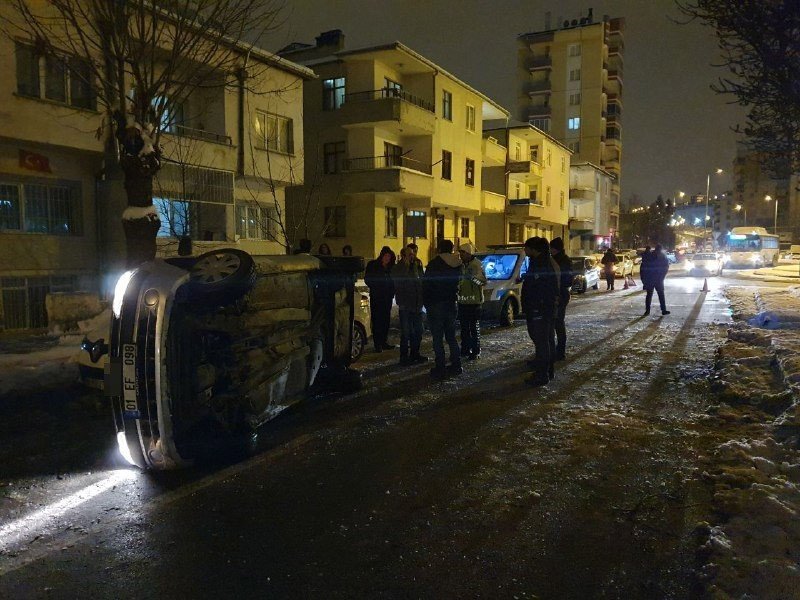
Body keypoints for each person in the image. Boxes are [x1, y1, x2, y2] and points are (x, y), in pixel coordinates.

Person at [423, 239, 463, 379]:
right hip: (451, 303)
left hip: (436, 304)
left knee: (438, 338)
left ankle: (440, 367)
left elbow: (426, 285)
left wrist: (427, 303)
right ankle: (456, 364)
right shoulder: (457, 263)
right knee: (451, 336)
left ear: (439, 249)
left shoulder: (434, 264)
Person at [522, 237, 559, 386]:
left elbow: (542, 288)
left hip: (540, 308)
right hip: (544, 308)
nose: (525, 250)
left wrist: (536, 306)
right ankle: (546, 371)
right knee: (546, 340)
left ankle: (542, 375)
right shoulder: (541, 262)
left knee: (542, 342)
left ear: (533, 249)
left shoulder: (541, 264)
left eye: (526, 248)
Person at [392, 243, 427, 365]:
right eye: (409, 254)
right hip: (406, 306)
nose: (412, 256)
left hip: (417, 305)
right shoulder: (398, 268)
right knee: (406, 333)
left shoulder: (417, 265)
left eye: (413, 254)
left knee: (418, 331)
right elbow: (398, 284)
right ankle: (404, 357)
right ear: (403, 256)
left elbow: (422, 282)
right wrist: (406, 267)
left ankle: (415, 353)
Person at [457, 242, 487, 360]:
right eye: (460, 253)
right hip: (463, 301)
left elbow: (483, 282)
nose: (461, 255)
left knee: (474, 327)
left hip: (474, 302)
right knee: (464, 328)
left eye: (462, 253)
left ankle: (475, 350)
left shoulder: (477, 265)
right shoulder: (460, 265)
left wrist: (473, 279)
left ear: (468, 253)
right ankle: (465, 349)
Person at [364, 246, 396, 351]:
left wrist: (392, 291)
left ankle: (384, 341)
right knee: (377, 320)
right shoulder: (374, 266)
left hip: (387, 297)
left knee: (385, 320)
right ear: (382, 256)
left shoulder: (390, 268)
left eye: (389, 256)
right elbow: (368, 279)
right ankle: (378, 343)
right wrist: (376, 286)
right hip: (377, 297)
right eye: (386, 256)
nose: (387, 258)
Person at [549, 237, 573, 361]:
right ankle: (556, 350)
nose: (550, 250)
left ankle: (560, 351)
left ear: (555, 248)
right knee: (556, 323)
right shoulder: (561, 259)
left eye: (551, 248)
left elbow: (567, 280)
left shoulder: (560, 261)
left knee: (558, 323)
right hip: (561, 293)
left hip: (560, 294)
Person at [643, 244, 671, 316]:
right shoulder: (663, 256)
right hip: (659, 279)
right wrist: (662, 276)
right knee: (661, 294)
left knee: (649, 295)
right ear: (661, 249)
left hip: (651, 279)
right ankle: (663, 310)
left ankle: (647, 311)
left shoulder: (650, 255)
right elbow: (666, 267)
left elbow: (645, 267)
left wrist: (645, 279)